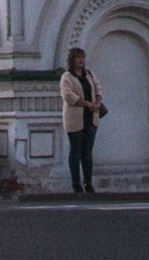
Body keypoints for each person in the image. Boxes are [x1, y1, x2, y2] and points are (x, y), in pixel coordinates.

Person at [59, 47, 107, 195]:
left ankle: (88, 182)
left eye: (83, 57)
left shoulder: (89, 75)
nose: (81, 60)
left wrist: (97, 102)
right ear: (72, 60)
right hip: (75, 119)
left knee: (87, 151)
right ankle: (76, 183)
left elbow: (98, 89)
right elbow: (68, 96)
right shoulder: (67, 77)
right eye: (78, 57)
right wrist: (87, 104)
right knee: (76, 150)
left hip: (91, 117)